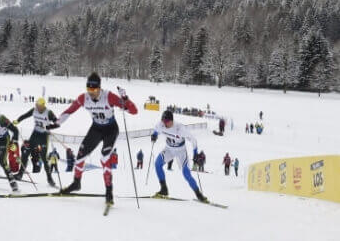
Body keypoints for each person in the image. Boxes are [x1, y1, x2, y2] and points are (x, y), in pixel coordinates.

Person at [48, 72, 138, 206]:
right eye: (88, 89)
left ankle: (109, 191)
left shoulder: (109, 96)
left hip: (110, 129)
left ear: (99, 88)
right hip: (96, 128)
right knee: (80, 157)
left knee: (104, 158)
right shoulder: (84, 98)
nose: (91, 92)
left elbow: (133, 111)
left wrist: (125, 98)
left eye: (94, 89)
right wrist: (57, 123)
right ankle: (76, 183)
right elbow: (70, 110)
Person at [151, 110, 207, 202]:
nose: (164, 124)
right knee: (157, 164)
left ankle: (199, 195)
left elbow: (193, 140)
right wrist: (154, 135)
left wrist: (195, 153)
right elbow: (156, 130)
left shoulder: (180, 129)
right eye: (163, 121)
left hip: (181, 151)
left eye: (166, 122)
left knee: (186, 174)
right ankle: (164, 189)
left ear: (171, 121)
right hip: (169, 149)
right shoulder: (161, 124)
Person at [13, 97, 58, 187]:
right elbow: (25, 115)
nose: (37, 106)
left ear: (43, 105)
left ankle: (50, 179)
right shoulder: (34, 110)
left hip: (44, 136)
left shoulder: (48, 113)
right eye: (36, 105)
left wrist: (49, 127)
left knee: (44, 158)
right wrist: (18, 120)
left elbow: (57, 123)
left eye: (38, 105)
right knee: (25, 152)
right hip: (35, 134)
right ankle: (20, 174)